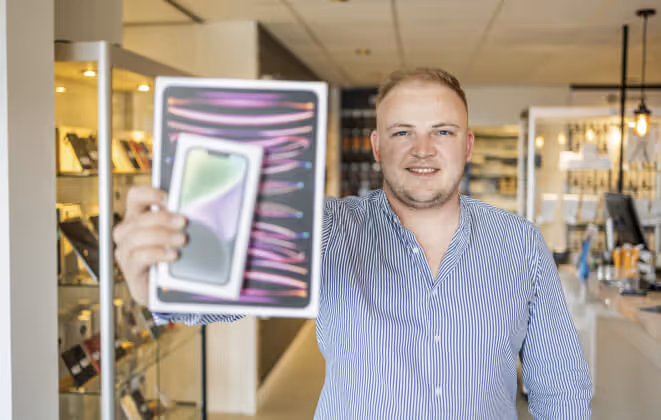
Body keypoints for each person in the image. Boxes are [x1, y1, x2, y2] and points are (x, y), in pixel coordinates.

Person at [113, 68, 593, 419]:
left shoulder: (520, 243)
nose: (423, 149)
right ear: (377, 146)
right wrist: (155, 281)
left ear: (467, 145)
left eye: (442, 132)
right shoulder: (327, 229)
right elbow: (213, 295)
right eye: (402, 132)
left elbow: (562, 390)